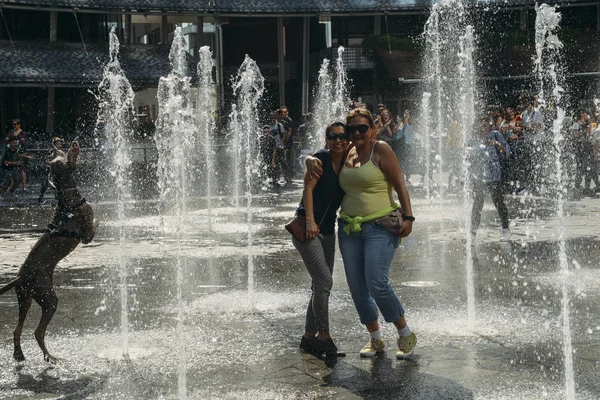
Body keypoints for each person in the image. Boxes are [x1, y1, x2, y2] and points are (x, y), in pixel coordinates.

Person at [336, 108, 416, 359]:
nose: (357, 133)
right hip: (349, 227)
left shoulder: (380, 149)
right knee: (357, 286)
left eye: (362, 128)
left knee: (376, 280)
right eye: (352, 129)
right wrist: (310, 161)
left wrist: (409, 216)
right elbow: (321, 159)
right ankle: (375, 338)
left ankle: (405, 333)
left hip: (380, 225)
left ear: (372, 129)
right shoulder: (345, 152)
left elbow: (400, 184)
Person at [294, 122, 349, 357]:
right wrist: (309, 221)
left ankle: (308, 337)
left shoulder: (348, 162)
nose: (338, 140)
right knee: (325, 282)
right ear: (326, 139)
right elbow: (307, 189)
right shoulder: (321, 159)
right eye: (332, 136)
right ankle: (324, 337)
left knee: (318, 284)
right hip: (309, 228)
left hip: (328, 230)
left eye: (342, 136)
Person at [469, 115, 511, 242]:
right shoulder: (473, 140)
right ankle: (472, 234)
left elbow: (506, 151)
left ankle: (506, 230)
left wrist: (496, 144)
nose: (484, 129)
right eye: (482, 126)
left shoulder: (496, 135)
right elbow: (469, 159)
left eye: (486, 125)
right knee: (477, 205)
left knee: (498, 202)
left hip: (493, 176)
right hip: (479, 176)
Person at [38, 137, 65, 204]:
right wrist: (54, 163)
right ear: (54, 145)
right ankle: (40, 197)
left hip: (58, 172)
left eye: (60, 144)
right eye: (58, 144)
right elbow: (47, 161)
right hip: (49, 170)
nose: (59, 146)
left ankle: (58, 199)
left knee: (58, 185)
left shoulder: (61, 152)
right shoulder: (51, 151)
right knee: (45, 184)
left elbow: (65, 160)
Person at [395, 110, 415, 184]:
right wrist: (399, 124)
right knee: (401, 161)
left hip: (409, 144)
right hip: (401, 144)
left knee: (408, 161)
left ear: (409, 116)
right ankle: (402, 176)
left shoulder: (412, 125)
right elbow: (396, 133)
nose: (406, 115)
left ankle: (408, 177)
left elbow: (413, 134)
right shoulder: (400, 124)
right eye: (405, 113)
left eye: (407, 114)